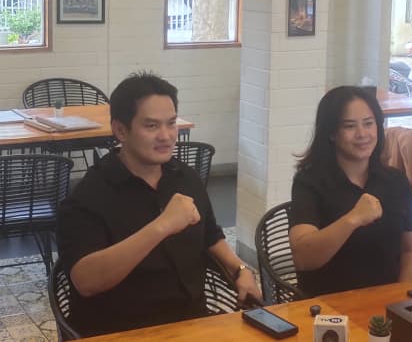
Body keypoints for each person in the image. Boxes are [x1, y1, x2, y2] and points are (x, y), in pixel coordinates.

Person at [56, 72, 260, 336]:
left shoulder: (185, 177)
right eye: (151, 126)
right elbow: (86, 281)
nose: (166, 136)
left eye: (171, 123)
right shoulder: (89, 195)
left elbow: (210, 235)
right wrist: (162, 226)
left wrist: (240, 269)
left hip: (192, 324)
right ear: (121, 130)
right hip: (123, 332)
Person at [288, 86, 412, 296]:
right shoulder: (309, 182)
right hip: (328, 306)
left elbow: (411, 250)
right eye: (349, 126)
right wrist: (353, 219)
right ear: (331, 133)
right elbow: (303, 258)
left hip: (388, 304)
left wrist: (400, 297)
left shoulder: (395, 181)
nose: (362, 134)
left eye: (368, 123)